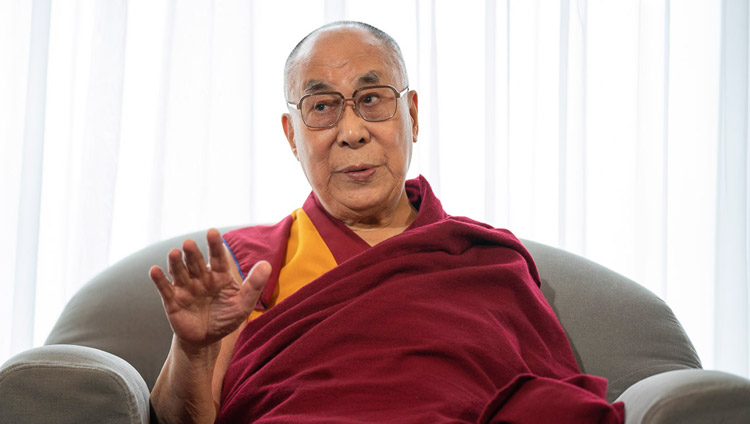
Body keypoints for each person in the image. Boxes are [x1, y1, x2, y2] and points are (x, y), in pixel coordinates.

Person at [148, 21, 625, 423]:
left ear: (412, 116)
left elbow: (551, 399)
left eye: (372, 99)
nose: (352, 132)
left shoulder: (483, 262)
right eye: (322, 107)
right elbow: (188, 419)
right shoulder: (251, 268)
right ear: (292, 135)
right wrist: (193, 349)